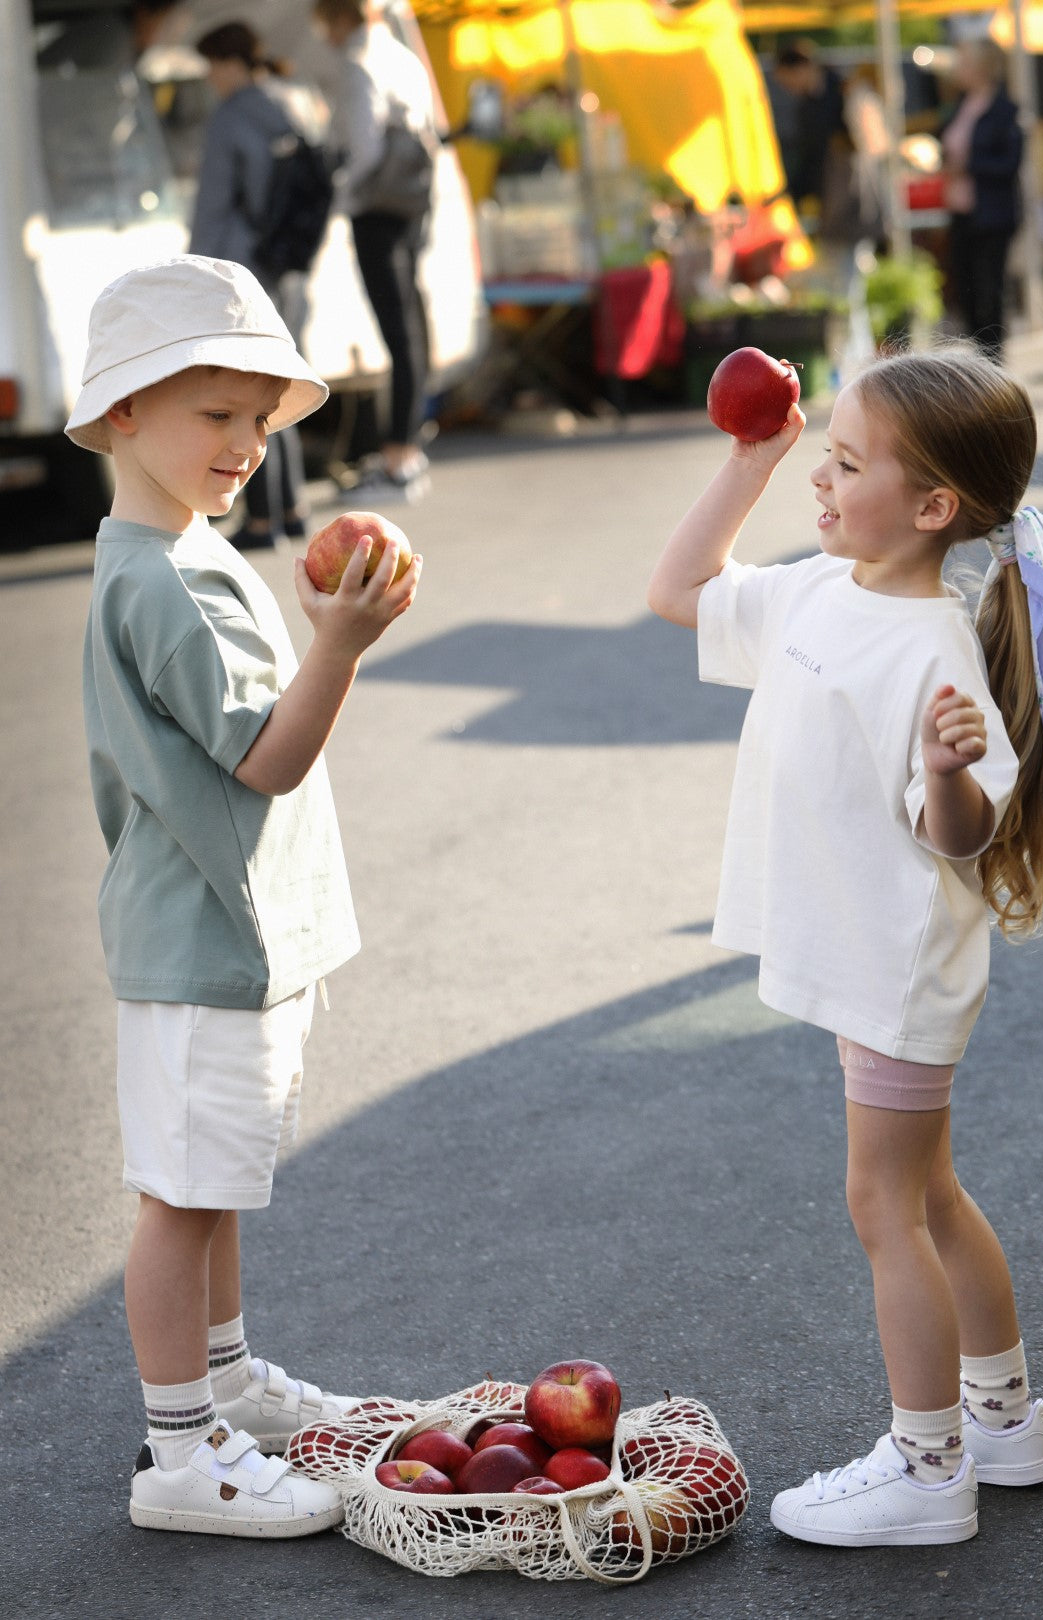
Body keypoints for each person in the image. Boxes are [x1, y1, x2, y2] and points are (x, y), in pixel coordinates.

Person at [647, 343, 1043, 1547]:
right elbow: (678, 590)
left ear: (933, 507)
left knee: (884, 1202)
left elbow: (965, 830)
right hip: (871, 957)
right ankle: (1005, 1424)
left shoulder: (933, 646)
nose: (818, 484)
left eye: (843, 464)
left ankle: (928, 1470)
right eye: (820, 458)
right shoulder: (814, 590)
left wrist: (943, 774)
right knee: (929, 1194)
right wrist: (751, 458)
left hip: (900, 969)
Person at [67, 254, 421, 1535]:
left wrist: (322, 626)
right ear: (121, 413)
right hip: (200, 937)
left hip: (233, 931)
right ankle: (180, 1455)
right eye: (215, 414)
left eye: (260, 423)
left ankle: (219, 1383)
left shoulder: (182, 555)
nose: (246, 446)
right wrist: (340, 641)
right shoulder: (159, 577)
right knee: (180, 1199)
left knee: (209, 1185)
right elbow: (269, 755)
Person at [189, 22, 315, 548]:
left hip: (240, 272)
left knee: (246, 398)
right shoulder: (288, 105)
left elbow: (215, 206)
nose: (211, 78)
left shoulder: (231, 117)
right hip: (287, 268)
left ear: (230, 63)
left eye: (212, 67)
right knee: (278, 388)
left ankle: (262, 519)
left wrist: (195, 271)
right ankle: (293, 509)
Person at [313, 0, 436, 501]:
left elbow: (365, 150)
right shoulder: (404, 58)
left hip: (377, 209)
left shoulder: (357, 64)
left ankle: (396, 458)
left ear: (341, 18)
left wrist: (338, 196)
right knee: (412, 323)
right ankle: (409, 447)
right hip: (413, 201)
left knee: (396, 329)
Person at [939, 37, 1023, 363]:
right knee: (965, 287)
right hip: (961, 210)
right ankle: (980, 357)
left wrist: (968, 166)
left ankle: (994, 359)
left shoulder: (1004, 110)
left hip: (992, 213)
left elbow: (1010, 163)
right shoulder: (961, 104)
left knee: (990, 289)